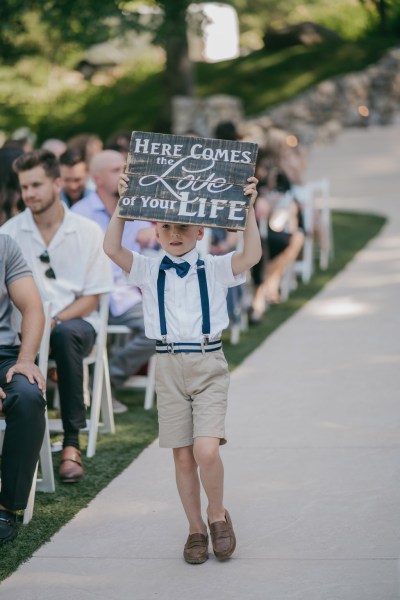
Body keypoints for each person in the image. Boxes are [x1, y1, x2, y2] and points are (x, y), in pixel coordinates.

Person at [103, 172, 261, 564]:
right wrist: (125, 205)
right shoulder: (147, 268)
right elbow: (111, 248)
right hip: (169, 365)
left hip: (208, 363)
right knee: (182, 456)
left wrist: (249, 209)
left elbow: (252, 256)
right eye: (166, 227)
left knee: (206, 450)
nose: (175, 233)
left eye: (183, 226)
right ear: (156, 232)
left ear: (200, 230)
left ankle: (217, 514)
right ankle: (194, 529)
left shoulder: (215, 266)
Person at [1, 149, 113, 483]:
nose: (30, 194)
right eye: (24, 187)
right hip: (23, 331)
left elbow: (93, 297)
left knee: (64, 335)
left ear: (57, 183)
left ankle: (71, 442)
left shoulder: (88, 230)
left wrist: (56, 320)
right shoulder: (10, 231)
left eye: (37, 184)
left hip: (75, 324)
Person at [72, 150, 157, 413]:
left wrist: (156, 231)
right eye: (116, 170)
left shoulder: (138, 209)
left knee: (158, 328)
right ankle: (96, 385)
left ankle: (106, 380)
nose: (124, 174)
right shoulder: (79, 214)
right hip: (88, 297)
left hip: (126, 293)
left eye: (125, 168)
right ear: (97, 179)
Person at [0, 234, 46, 543]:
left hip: (5, 355)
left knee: (28, 395)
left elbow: (32, 306)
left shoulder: (4, 245)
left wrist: (27, 359)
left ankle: (7, 508)